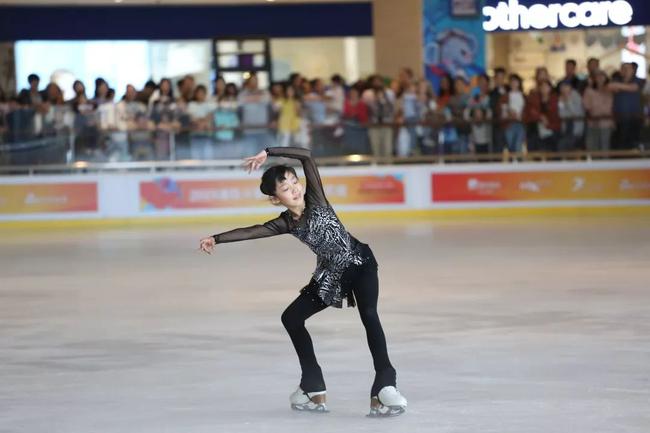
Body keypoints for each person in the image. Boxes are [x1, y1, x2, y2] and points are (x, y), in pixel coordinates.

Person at [198, 146, 408, 417]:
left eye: (294, 181)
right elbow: (252, 232)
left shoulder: (316, 198)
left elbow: (306, 156)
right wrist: (216, 238)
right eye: (285, 188)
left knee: (369, 315)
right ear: (276, 199)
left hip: (360, 263)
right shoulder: (285, 223)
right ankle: (312, 384)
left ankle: (385, 384)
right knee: (291, 318)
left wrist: (268, 152)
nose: (294, 189)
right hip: (331, 275)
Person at [583, 69, 614, 152]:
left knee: (605, 145)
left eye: (602, 76)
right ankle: (593, 164)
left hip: (606, 123)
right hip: (593, 122)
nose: (600, 78)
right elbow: (586, 106)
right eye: (598, 76)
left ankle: (606, 163)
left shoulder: (611, 90)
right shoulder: (589, 91)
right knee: (593, 146)